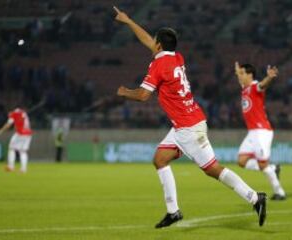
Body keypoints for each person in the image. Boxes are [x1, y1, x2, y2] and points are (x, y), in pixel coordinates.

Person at [113, 6, 267, 228]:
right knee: (160, 159)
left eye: (154, 41)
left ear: (158, 45)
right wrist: (128, 21)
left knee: (213, 169)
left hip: (189, 128)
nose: (151, 43)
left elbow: (144, 95)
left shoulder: (159, 65)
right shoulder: (176, 57)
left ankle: (255, 198)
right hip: (185, 124)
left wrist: (125, 92)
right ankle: (173, 211)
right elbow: (149, 41)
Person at [234, 62, 286, 200]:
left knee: (263, 164)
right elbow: (240, 77)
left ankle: (279, 192)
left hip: (262, 131)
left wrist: (269, 77)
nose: (240, 76)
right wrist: (237, 71)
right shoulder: (244, 88)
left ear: (250, 75)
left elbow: (263, 85)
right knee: (241, 161)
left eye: (243, 73)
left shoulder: (254, 87)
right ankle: (273, 169)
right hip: (252, 132)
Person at [0, 107, 32, 173]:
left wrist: (1, 131)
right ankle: (23, 169)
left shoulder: (14, 114)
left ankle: (11, 166)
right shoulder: (23, 112)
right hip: (28, 134)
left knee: (11, 148)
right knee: (23, 151)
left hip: (20, 133)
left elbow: (9, 124)